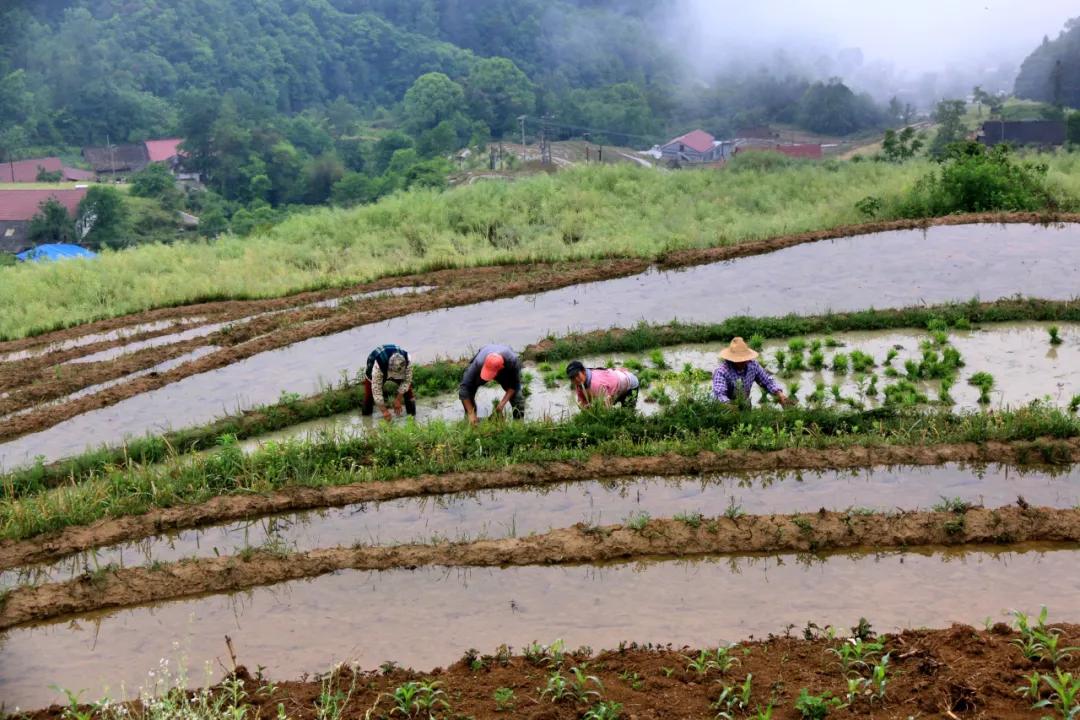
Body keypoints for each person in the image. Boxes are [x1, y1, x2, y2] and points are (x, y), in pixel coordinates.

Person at [712, 337, 789, 407]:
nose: (743, 361)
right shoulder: (722, 371)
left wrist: (779, 394)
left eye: (744, 358)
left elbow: (767, 381)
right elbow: (720, 394)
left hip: (746, 404)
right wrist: (729, 406)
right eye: (739, 359)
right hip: (726, 409)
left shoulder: (752, 365)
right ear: (731, 359)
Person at [459, 344, 525, 424]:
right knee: (468, 394)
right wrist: (470, 412)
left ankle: (518, 424)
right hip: (484, 360)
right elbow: (464, 388)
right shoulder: (478, 363)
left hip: (506, 369)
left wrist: (501, 405)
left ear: (501, 368)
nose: (489, 378)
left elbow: (514, 385)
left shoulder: (512, 362)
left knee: (518, 398)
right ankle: (472, 420)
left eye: (491, 374)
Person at [362, 344, 416, 421]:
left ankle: (412, 417)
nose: (395, 377)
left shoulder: (407, 360)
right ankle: (366, 419)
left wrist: (398, 399)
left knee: (408, 391)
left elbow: (407, 381)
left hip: (390, 365)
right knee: (369, 395)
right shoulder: (379, 365)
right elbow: (376, 391)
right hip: (376, 362)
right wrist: (384, 411)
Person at [566, 360, 640, 409]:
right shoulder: (579, 383)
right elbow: (582, 402)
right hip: (615, 383)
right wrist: (585, 406)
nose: (575, 379)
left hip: (630, 384)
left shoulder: (595, 384)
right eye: (572, 378)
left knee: (628, 412)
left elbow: (606, 408)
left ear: (583, 372)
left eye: (577, 375)